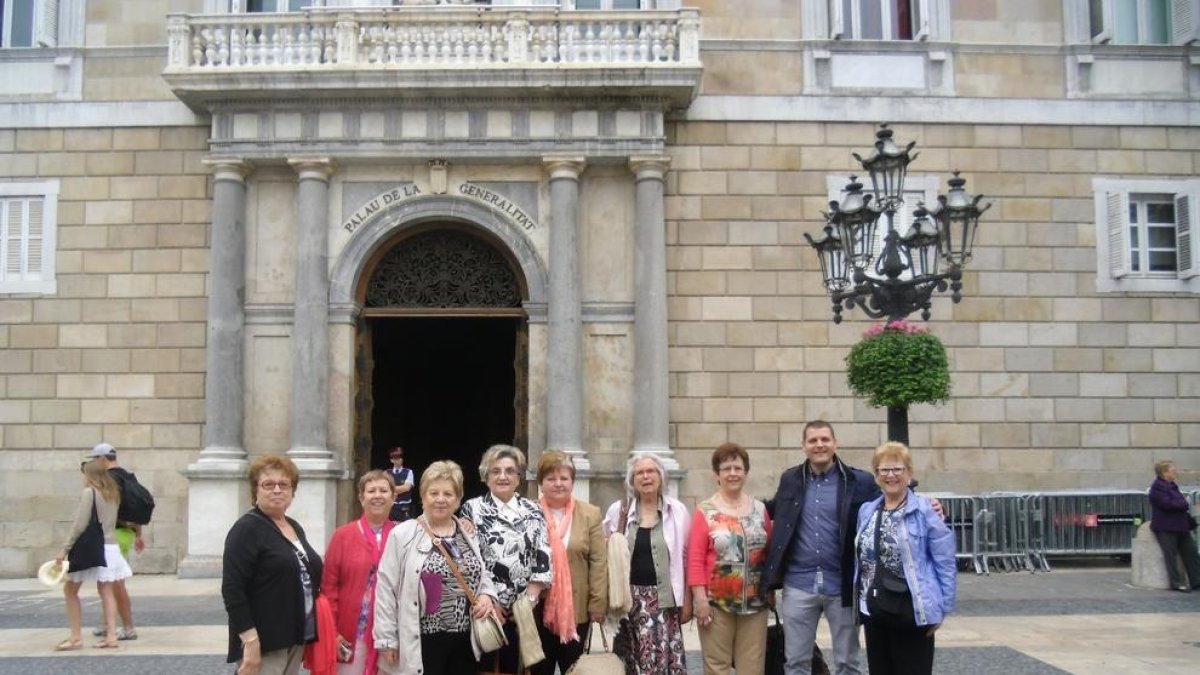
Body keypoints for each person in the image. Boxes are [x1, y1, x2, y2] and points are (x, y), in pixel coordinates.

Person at [759, 420, 878, 675]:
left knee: (847, 662)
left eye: (825, 439)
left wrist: (930, 505)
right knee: (796, 662)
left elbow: (890, 501)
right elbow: (772, 509)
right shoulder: (790, 479)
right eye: (813, 440)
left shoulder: (860, 481)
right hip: (799, 584)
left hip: (842, 585)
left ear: (836, 443)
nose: (819, 445)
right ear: (804, 446)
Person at [373, 460, 500, 675]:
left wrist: (487, 596)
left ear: (458, 499)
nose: (441, 499)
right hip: (422, 639)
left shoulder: (467, 533)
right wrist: (386, 640)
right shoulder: (403, 534)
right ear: (423, 497)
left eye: (448, 494)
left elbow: (482, 574)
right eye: (434, 493)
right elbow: (386, 588)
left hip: (465, 639)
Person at [854, 442, 956, 675]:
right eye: (884, 470)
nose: (891, 475)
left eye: (897, 469)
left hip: (912, 609)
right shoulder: (867, 510)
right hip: (875, 608)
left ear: (909, 473)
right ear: (876, 475)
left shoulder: (926, 510)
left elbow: (945, 561)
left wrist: (943, 608)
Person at [222, 454, 324, 675]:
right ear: (255, 490)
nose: (277, 490)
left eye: (284, 484)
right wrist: (250, 641)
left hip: (295, 636)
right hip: (265, 641)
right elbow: (233, 590)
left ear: (292, 491)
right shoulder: (246, 529)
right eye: (268, 484)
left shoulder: (293, 526)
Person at [458, 445, 552, 673]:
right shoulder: (472, 509)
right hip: (486, 610)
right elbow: (467, 557)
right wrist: (486, 598)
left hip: (525, 611)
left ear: (519, 477)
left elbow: (544, 552)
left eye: (510, 471)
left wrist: (529, 600)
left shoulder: (534, 509)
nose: (503, 476)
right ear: (485, 476)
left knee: (520, 668)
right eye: (496, 471)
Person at [603, 451, 692, 675]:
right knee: (631, 664)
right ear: (632, 480)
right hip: (628, 603)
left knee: (661, 663)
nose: (646, 476)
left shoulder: (677, 511)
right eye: (639, 473)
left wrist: (688, 600)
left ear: (661, 476)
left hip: (663, 604)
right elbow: (605, 554)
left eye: (651, 471)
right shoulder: (619, 511)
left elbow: (686, 558)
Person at [687, 442, 773, 675]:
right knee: (717, 667)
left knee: (753, 667)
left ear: (746, 472)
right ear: (717, 474)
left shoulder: (759, 509)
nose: (732, 473)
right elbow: (694, 559)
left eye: (738, 468)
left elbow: (768, 552)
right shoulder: (705, 511)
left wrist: (772, 590)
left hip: (755, 603)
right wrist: (700, 600)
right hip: (717, 603)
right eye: (726, 468)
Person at [529, 450, 608, 675]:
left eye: (564, 478)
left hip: (577, 608)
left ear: (572, 481)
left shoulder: (590, 514)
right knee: (539, 670)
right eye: (551, 478)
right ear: (541, 483)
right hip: (537, 609)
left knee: (573, 669)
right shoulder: (528, 513)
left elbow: (598, 562)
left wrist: (597, 604)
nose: (558, 484)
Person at [322, 470, 398, 675]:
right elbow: (329, 588)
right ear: (361, 497)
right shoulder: (342, 535)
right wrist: (333, 632)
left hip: (389, 635)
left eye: (384, 490)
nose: (377, 495)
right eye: (371, 490)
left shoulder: (404, 535)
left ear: (394, 497)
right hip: (350, 633)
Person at [54, 459, 133, 650]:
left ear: (89, 475)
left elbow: (80, 524)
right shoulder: (113, 493)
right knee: (106, 591)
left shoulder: (89, 493)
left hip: (92, 548)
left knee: (70, 590)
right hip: (111, 546)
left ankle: (75, 637)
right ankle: (112, 636)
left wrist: (65, 549)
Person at [87, 442, 142, 641]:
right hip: (125, 533)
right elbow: (135, 508)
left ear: (102, 459)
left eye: (94, 459)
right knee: (107, 581)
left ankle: (128, 627)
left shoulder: (109, 480)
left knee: (116, 583)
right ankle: (107, 623)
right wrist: (138, 534)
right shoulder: (128, 476)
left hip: (113, 534)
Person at [1148, 459, 1200, 592]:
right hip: (1166, 527)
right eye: (1172, 470)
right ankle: (1175, 583)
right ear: (1165, 472)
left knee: (1191, 552)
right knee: (1170, 556)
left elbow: (1179, 502)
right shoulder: (1157, 488)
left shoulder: (1172, 486)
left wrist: (1181, 503)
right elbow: (1169, 504)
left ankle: (1196, 581)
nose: (1175, 471)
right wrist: (1182, 503)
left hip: (1181, 526)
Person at [385, 447, 414, 523]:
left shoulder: (408, 472)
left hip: (405, 507)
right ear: (391, 460)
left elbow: (407, 488)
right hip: (391, 507)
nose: (399, 460)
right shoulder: (386, 473)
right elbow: (383, 488)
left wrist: (390, 488)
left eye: (400, 457)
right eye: (396, 458)